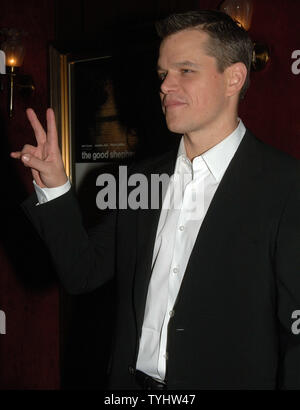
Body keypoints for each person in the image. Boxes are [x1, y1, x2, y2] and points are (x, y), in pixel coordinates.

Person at [11, 10, 300, 390]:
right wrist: (55, 186)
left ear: (233, 78)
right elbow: (82, 272)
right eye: (163, 74)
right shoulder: (140, 180)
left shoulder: (285, 185)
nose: (165, 86)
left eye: (185, 71)